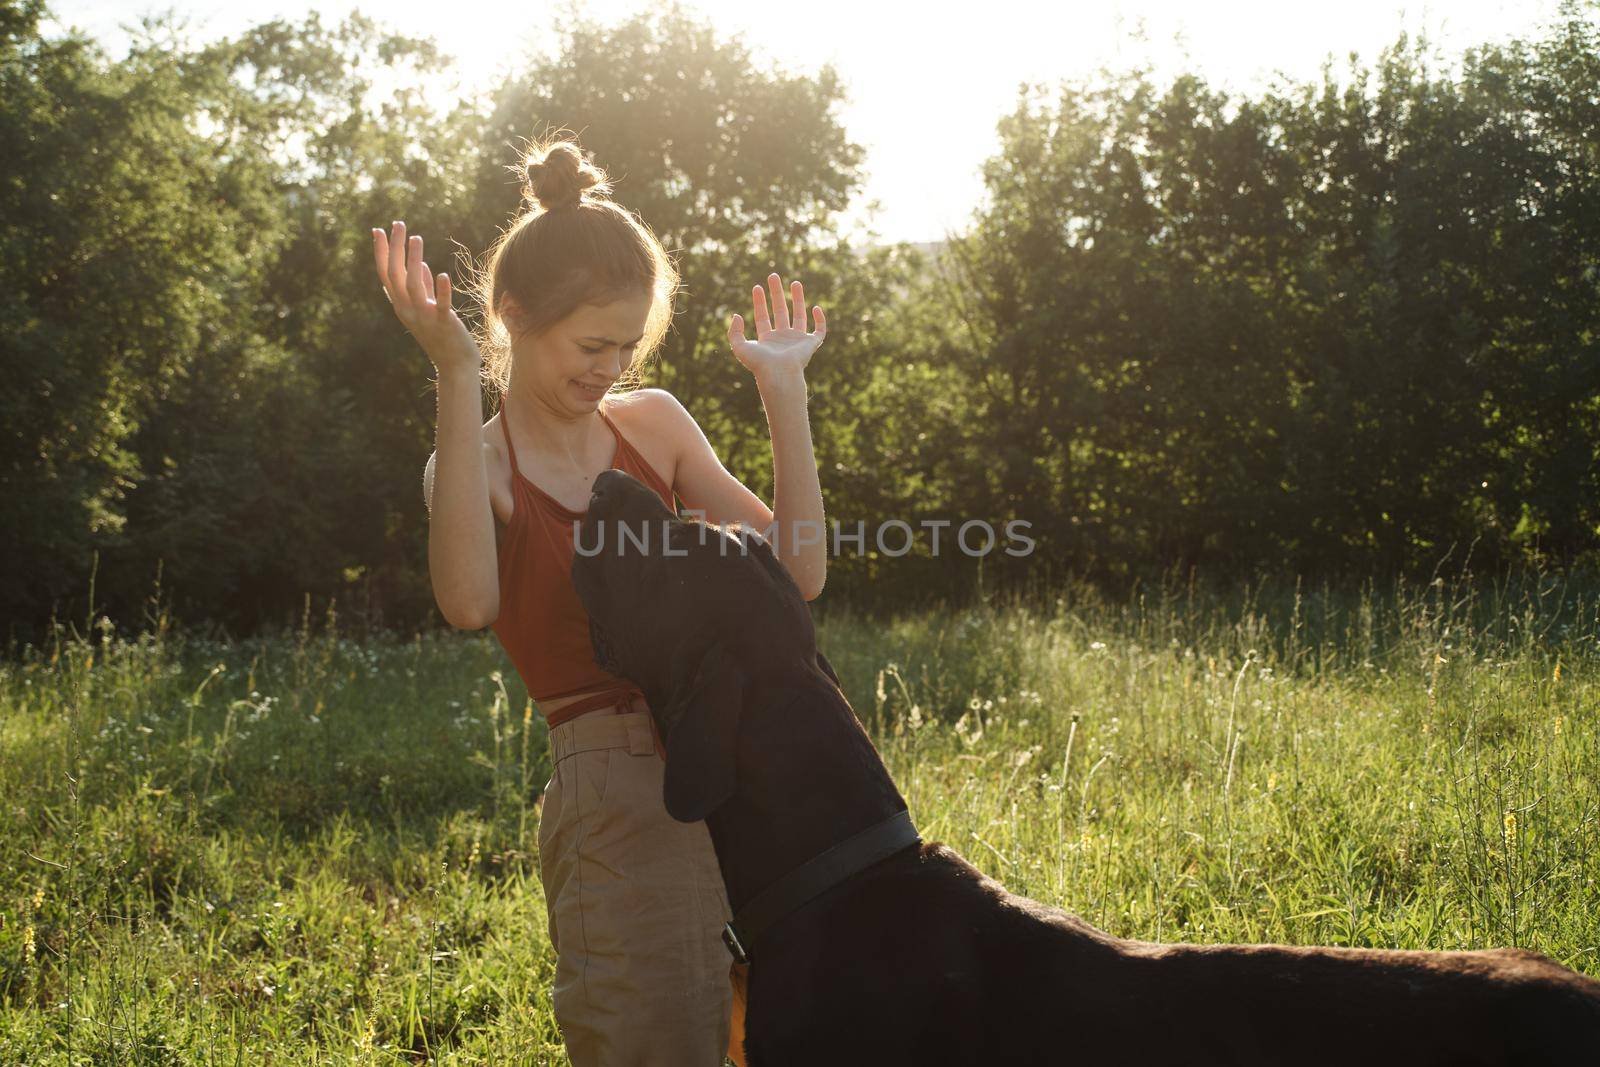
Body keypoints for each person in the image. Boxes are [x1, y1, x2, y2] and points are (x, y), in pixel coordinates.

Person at [371, 133, 828, 1065]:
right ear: (511, 317)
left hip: (753, 756)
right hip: (621, 787)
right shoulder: (480, 467)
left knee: (777, 1030)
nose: (609, 367)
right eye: (590, 344)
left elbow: (795, 576)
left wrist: (785, 393)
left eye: (626, 344)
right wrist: (457, 374)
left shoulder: (653, 425)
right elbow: (467, 600)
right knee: (654, 1039)